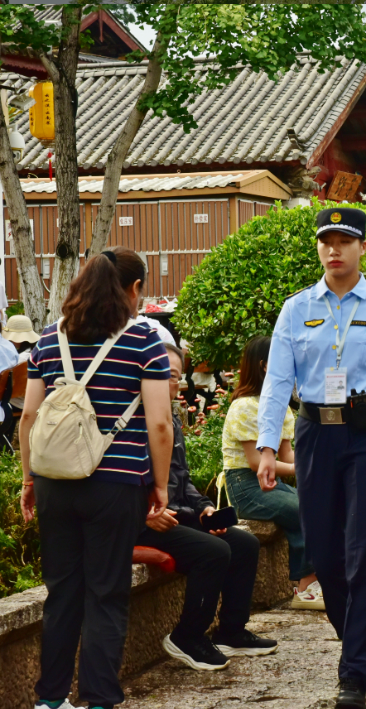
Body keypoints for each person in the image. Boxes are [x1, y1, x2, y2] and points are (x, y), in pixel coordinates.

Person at [256, 208, 366, 709]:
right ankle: (354, 637)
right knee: (325, 555)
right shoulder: (296, 309)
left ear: (362, 248)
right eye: (326, 241)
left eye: (344, 241)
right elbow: (276, 382)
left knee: (361, 553)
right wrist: (266, 445)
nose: (334, 249)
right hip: (315, 435)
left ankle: (354, 672)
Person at [19, 247, 173, 709]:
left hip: (53, 482)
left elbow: (28, 416)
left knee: (62, 592)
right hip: (116, 484)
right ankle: (99, 699)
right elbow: (160, 424)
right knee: (106, 592)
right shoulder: (143, 340)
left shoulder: (49, 339)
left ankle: (50, 699)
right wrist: (160, 485)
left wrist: (28, 480)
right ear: (134, 289)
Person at [140, 343, 278, 671]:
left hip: (178, 515)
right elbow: (123, 481)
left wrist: (204, 508)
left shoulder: (170, 419)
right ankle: (187, 636)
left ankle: (231, 631)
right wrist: (146, 513)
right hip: (145, 520)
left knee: (244, 543)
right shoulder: (135, 421)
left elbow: (182, 479)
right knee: (214, 551)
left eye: (176, 377)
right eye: (165, 375)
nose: (173, 384)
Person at [220, 336, 321, 610]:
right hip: (245, 487)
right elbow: (257, 463)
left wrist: (315, 464)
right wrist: (305, 468)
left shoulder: (281, 405)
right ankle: (307, 589)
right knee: (303, 508)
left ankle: (316, 580)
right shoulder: (244, 407)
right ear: (265, 365)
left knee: (317, 504)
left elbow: (287, 456)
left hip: (271, 483)